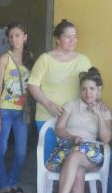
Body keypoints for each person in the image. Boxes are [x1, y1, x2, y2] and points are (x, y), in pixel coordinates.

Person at [28, 19, 93, 164]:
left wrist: (98, 104)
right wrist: (48, 104)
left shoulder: (83, 60)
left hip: (74, 119)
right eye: (68, 37)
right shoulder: (45, 59)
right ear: (57, 39)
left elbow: (93, 85)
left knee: (70, 161)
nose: (72, 40)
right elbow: (32, 85)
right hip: (47, 117)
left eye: (75, 36)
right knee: (50, 160)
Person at [47, 67, 112, 193]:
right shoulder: (71, 105)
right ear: (80, 90)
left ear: (98, 90)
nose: (88, 93)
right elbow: (59, 129)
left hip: (91, 154)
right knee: (78, 173)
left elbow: (106, 139)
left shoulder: (103, 110)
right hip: (67, 148)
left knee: (76, 155)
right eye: (84, 89)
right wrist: (72, 137)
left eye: (92, 89)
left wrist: (99, 114)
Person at [0, 21, 34, 193]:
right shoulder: (4, 58)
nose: (14, 39)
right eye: (11, 36)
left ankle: (12, 180)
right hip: (5, 110)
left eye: (18, 35)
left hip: (22, 111)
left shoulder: (30, 58)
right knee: (1, 147)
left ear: (25, 37)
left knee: (21, 151)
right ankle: (4, 184)